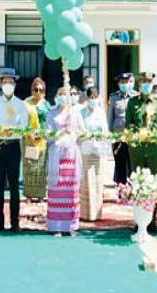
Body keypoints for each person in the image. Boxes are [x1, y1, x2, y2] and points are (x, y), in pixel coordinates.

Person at [0, 69, 29, 232]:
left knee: (14, 186)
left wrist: (11, 130)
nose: (7, 85)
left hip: (13, 146)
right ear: (0, 84)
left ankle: (15, 222)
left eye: (10, 82)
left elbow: (24, 125)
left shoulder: (20, 104)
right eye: (4, 82)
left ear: (15, 84)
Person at [126, 72, 157, 232]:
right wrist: (136, 133)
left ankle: (152, 220)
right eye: (143, 82)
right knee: (138, 183)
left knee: (153, 183)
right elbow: (129, 123)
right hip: (137, 149)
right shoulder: (132, 102)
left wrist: (149, 133)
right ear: (139, 84)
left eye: (149, 82)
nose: (146, 85)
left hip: (153, 147)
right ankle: (138, 220)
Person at [45, 86, 83, 235]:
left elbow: (82, 132)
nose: (62, 97)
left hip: (71, 155)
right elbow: (47, 134)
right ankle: (56, 226)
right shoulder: (51, 113)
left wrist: (72, 135)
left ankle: (71, 226)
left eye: (65, 95)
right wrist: (59, 134)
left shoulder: (75, 112)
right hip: (56, 154)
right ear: (56, 97)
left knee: (71, 190)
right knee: (57, 189)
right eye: (60, 94)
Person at [79, 87, 109, 221]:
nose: (93, 100)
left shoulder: (101, 113)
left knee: (97, 181)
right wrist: (85, 136)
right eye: (91, 97)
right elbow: (79, 130)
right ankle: (86, 214)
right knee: (86, 181)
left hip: (98, 151)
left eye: (95, 97)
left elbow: (105, 131)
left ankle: (97, 213)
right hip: (85, 150)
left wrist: (101, 141)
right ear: (87, 98)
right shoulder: (81, 113)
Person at [23, 77, 50, 201]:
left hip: (42, 140)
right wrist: (30, 134)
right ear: (32, 90)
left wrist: (42, 134)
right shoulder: (26, 103)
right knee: (29, 166)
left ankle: (40, 194)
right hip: (29, 139)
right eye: (35, 89)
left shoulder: (46, 105)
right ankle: (29, 194)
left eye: (40, 90)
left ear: (44, 91)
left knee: (40, 167)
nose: (38, 92)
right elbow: (22, 120)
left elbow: (49, 120)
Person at [108, 73, 137, 184]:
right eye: (122, 82)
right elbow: (110, 117)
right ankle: (120, 186)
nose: (125, 84)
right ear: (119, 84)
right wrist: (110, 135)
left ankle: (132, 185)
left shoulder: (135, 96)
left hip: (132, 136)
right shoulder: (114, 98)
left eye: (127, 82)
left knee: (132, 161)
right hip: (118, 136)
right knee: (120, 161)